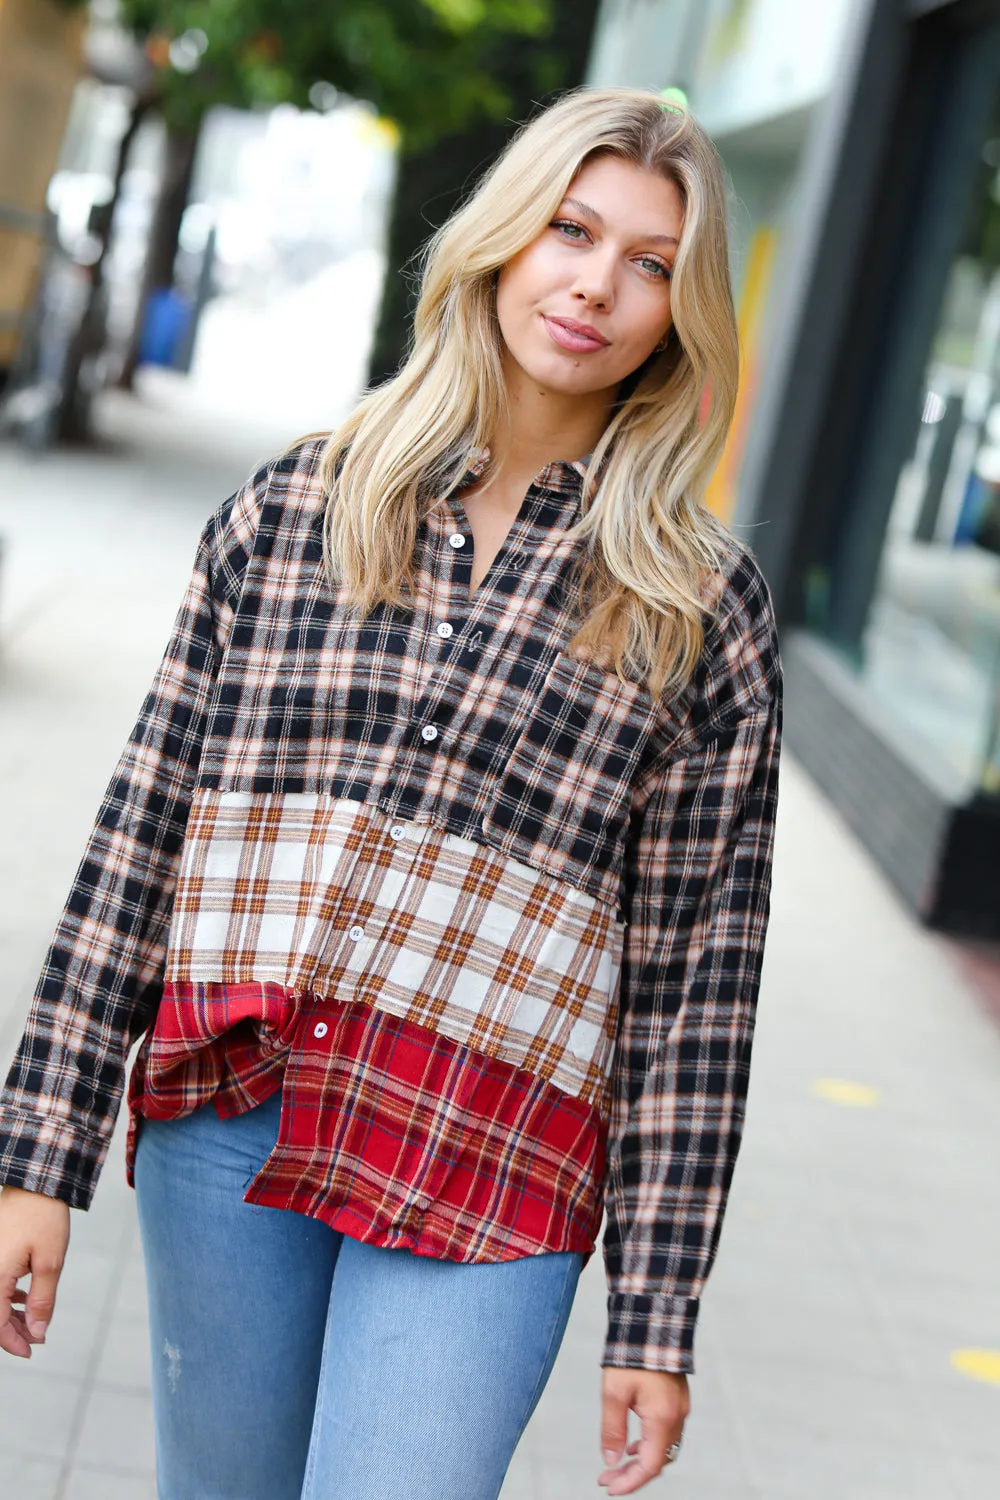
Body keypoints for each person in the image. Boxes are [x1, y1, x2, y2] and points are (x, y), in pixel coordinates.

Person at [0, 86, 781, 1500]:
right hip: (238, 1113)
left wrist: (656, 1316)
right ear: (502, 242)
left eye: (652, 263)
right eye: (572, 230)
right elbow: (141, 840)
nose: (597, 283)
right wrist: (36, 1151)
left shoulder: (696, 609)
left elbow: (695, 989)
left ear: (685, 311)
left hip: (496, 1155)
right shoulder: (297, 509)